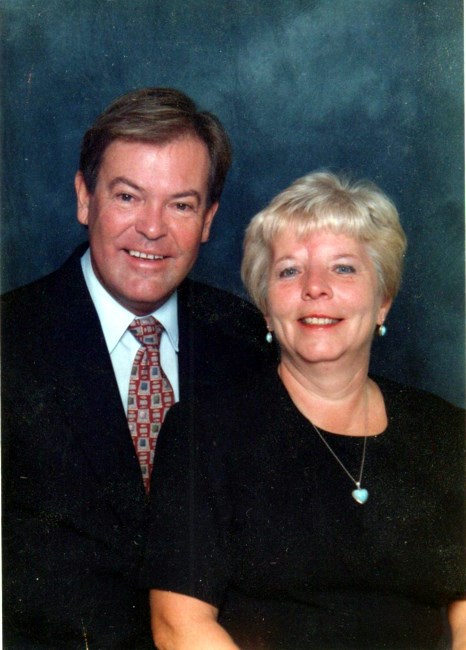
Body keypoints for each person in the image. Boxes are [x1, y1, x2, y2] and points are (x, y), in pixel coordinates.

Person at [143, 171, 466, 650]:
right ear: (266, 308)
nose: (315, 287)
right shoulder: (205, 430)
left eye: (344, 268)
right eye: (290, 271)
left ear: (383, 301)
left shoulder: (447, 432)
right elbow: (178, 626)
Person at [1, 88, 273, 649]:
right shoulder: (11, 338)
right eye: (128, 196)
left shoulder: (250, 341)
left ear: (208, 219)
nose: (152, 228)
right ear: (85, 199)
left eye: (181, 205)